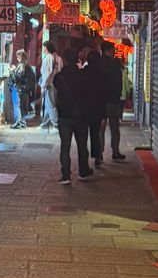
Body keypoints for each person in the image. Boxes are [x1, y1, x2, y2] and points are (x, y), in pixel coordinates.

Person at [52, 47, 94, 184]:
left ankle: (66, 174)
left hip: (65, 115)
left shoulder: (59, 77)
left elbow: (56, 93)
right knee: (82, 145)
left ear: (65, 60)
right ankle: (83, 171)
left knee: (65, 146)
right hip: (81, 115)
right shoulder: (84, 76)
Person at [97, 41, 127, 161]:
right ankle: (115, 151)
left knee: (101, 129)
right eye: (113, 50)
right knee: (114, 128)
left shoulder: (98, 63)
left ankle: (99, 155)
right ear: (108, 51)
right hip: (113, 101)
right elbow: (117, 82)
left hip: (100, 101)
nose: (114, 52)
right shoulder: (114, 64)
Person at [82, 49, 108, 168]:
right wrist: (104, 113)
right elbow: (104, 94)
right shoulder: (102, 75)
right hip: (97, 108)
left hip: (84, 108)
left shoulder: (83, 73)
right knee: (95, 134)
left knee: (83, 136)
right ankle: (97, 157)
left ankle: (84, 159)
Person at [7, 49, 35, 129]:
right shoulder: (28, 65)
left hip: (19, 88)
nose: (17, 58)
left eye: (18, 56)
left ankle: (18, 122)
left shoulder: (21, 65)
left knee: (17, 105)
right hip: (25, 89)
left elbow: (18, 77)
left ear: (20, 57)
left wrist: (12, 71)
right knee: (22, 106)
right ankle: (22, 122)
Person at [39, 41, 63, 131]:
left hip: (49, 84)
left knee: (50, 104)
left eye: (44, 47)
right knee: (48, 104)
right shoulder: (55, 57)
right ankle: (44, 124)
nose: (43, 49)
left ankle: (56, 124)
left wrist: (43, 84)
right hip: (53, 83)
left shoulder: (49, 57)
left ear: (46, 48)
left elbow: (47, 72)